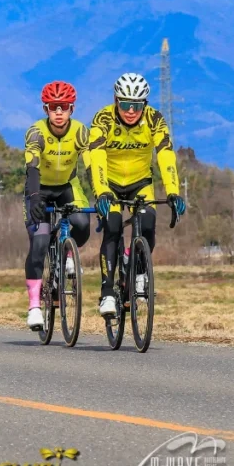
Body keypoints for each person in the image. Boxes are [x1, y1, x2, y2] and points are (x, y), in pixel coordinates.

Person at [88, 73, 187, 318]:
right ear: (115, 100)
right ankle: (108, 291)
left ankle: (138, 267)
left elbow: (165, 154)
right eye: (125, 104)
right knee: (112, 226)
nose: (131, 111)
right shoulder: (103, 119)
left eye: (137, 105)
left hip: (140, 182)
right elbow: (96, 156)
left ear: (145, 103)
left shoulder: (155, 119)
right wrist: (101, 191)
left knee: (148, 223)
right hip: (108, 182)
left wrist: (173, 191)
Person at [22, 81, 92, 331]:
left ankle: (67, 251)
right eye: (54, 107)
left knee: (82, 225)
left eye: (64, 107)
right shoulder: (36, 132)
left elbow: (91, 165)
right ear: (46, 109)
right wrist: (34, 196)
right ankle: (34, 307)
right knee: (39, 243)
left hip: (67, 186)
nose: (59, 112)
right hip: (39, 188)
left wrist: (102, 194)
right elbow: (32, 166)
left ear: (72, 108)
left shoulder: (81, 132)